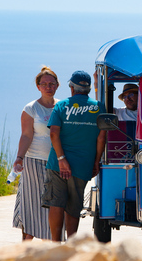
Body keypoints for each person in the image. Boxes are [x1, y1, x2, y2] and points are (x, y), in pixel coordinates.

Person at [42, 70, 106, 241]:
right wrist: (96, 161)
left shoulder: (61, 106)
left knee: (56, 203)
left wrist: (62, 159)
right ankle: (72, 245)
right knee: (74, 206)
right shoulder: (99, 107)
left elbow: (54, 134)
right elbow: (101, 137)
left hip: (57, 164)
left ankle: (55, 244)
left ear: (71, 88)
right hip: (82, 165)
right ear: (89, 89)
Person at [12, 66, 59, 241]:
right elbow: (26, 135)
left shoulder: (62, 107)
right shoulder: (31, 108)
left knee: (53, 205)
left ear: (57, 85)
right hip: (34, 162)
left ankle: (51, 247)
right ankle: (26, 249)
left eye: (51, 83)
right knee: (32, 205)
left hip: (56, 163)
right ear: (38, 86)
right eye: (44, 84)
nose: (48, 87)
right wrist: (19, 158)